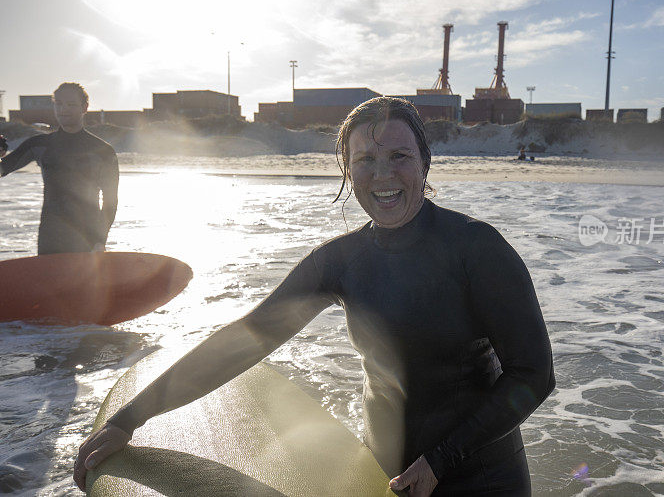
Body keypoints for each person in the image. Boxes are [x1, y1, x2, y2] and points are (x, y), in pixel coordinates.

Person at [73, 97, 554, 496]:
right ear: (347, 170)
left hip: (482, 476)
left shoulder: (476, 247)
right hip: (381, 474)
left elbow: (534, 373)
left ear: (425, 163)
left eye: (399, 157)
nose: (382, 175)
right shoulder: (341, 261)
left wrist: (442, 460)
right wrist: (127, 420)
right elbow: (247, 338)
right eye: (365, 160)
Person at [0, 83, 118, 255]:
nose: (64, 109)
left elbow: (110, 202)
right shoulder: (39, 145)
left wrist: (100, 241)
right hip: (50, 239)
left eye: (71, 104)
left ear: (84, 107)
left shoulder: (103, 152)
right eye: (59, 104)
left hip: (87, 240)